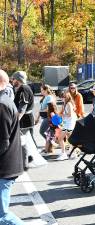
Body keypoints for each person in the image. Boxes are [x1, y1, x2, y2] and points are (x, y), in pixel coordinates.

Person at [0, 70, 25, 225]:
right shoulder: (4, 100)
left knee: (2, 216)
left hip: (5, 167)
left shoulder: (2, 105)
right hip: (7, 165)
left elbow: (3, 142)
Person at [12, 71, 35, 169]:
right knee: (25, 140)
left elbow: (22, 107)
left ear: (18, 80)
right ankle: (28, 157)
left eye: (13, 79)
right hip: (26, 119)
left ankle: (25, 164)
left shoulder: (23, 89)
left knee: (22, 141)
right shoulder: (24, 88)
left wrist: (15, 120)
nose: (12, 81)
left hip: (24, 120)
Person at [58, 92, 77, 157]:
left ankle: (64, 153)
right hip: (67, 123)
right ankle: (74, 152)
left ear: (67, 97)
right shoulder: (65, 104)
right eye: (61, 97)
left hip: (69, 124)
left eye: (63, 97)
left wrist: (62, 114)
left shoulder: (69, 104)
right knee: (70, 139)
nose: (62, 99)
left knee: (60, 138)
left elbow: (70, 115)